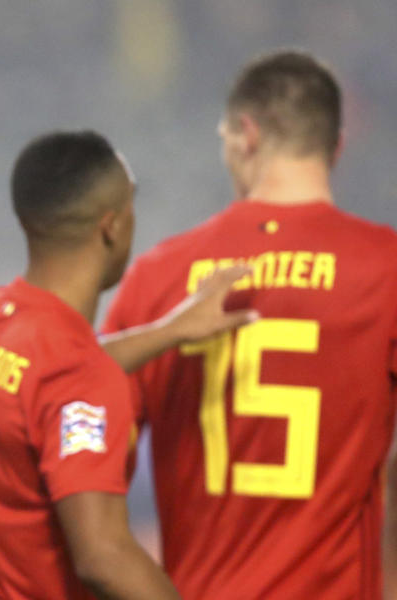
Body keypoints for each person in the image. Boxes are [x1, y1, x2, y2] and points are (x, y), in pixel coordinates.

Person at [102, 49, 397, 598]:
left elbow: (89, 449)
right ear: (335, 145)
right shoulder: (386, 268)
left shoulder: (161, 275)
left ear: (246, 134)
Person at [0, 131, 254, 599]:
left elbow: (46, 380)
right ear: (113, 226)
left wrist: (169, 330)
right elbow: (102, 556)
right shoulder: (80, 376)